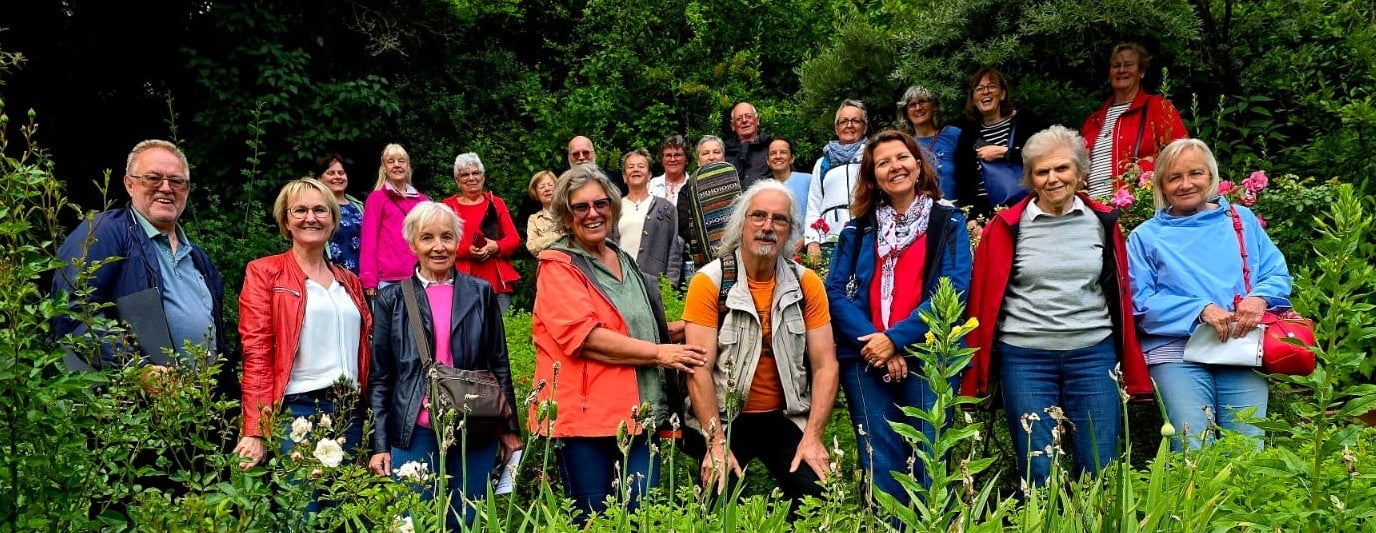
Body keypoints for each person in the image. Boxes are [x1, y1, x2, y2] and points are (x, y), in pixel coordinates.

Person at [961, 125, 1150, 486]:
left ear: (1080, 171)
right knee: (1039, 469)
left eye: (1062, 168)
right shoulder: (1006, 226)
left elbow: (1120, 293)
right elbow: (982, 301)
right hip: (1025, 357)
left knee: (1100, 466)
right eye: (1041, 171)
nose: (1052, 178)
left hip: (1093, 353)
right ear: (1029, 178)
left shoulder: (1103, 222)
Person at [529, 165, 705, 525]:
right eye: (581, 207)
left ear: (612, 206)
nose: (592, 213)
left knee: (642, 518)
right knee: (595, 522)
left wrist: (694, 326)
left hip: (638, 416)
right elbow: (586, 338)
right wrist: (661, 354)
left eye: (600, 203)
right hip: (587, 422)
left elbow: (638, 329)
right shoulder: (558, 265)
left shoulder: (620, 257)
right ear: (565, 215)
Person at [824, 129, 972, 504]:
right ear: (872, 176)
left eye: (902, 157)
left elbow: (953, 290)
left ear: (919, 165)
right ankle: (888, 526)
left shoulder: (948, 222)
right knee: (880, 456)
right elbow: (835, 292)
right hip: (865, 356)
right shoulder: (857, 228)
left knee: (930, 456)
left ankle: (931, 526)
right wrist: (878, 343)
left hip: (928, 356)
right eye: (883, 163)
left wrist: (896, 340)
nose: (895, 167)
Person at [681, 180, 839, 508]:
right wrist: (715, 443)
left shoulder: (806, 283)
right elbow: (698, 370)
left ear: (790, 231)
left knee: (818, 498)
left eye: (779, 219)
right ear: (741, 223)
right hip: (725, 419)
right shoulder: (710, 282)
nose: (767, 227)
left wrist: (813, 437)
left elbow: (826, 365)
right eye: (758, 216)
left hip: (785, 416)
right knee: (715, 502)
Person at [1127, 138, 1291, 450]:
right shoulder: (1144, 237)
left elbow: (1277, 274)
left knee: (1247, 448)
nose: (1186, 184)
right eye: (1174, 177)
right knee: (1192, 446)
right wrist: (1200, 309)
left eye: (1195, 173)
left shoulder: (1241, 220)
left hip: (1240, 345)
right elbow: (1139, 303)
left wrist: (1259, 298)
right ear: (1161, 185)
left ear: (1211, 176)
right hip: (1176, 353)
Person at [367, 202, 521, 528]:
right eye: (428, 238)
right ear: (412, 244)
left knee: (468, 520)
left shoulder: (480, 292)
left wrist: (509, 430)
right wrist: (380, 444)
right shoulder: (392, 299)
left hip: (474, 426)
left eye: (447, 237)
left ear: (457, 242)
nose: (438, 247)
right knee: (414, 521)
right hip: (415, 429)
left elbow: (499, 363)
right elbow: (381, 376)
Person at [52, 139, 233, 388]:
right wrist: (135, 369)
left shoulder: (198, 258)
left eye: (176, 181)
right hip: (126, 402)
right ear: (130, 184)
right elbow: (74, 309)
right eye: (153, 178)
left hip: (195, 404)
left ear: (187, 190)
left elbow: (218, 339)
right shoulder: (105, 232)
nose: (166, 188)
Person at [234, 179, 372, 502]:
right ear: (286, 220)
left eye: (320, 210)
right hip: (298, 411)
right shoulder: (265, 273)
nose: (311, 217)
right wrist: (255, 428)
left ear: (333, 220)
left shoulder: (350, 282)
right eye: (300, 210)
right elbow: (257, 352)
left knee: (343, 513)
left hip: (350, 413)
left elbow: (367, 353)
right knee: (301, 514)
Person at [1081, 42, 1189, 197]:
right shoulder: (1093, 120)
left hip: (1137, 203)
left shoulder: (1157, 107)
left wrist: (1145, 169)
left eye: (1128, 65)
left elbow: (1182, 152)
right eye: (1116, 66)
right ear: (1109, 73)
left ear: (1141, 72)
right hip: (1092, 206)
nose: (1121, 70)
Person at [952, 68, 1045, 219]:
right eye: (979, 89)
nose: (985, 92)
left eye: (992, 86)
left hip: (1028, 206)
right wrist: (970, 218)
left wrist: (1005, 153)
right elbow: (963, 181)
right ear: (973, 99)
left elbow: (1045, 157)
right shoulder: (968, 134)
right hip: (984, 214)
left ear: (1002, 94)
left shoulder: (1025, 121)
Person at [442, 152, 521, 315]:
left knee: (501, 328)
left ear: (483, 177)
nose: (471, 178)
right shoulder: (447, 206)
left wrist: (496, 246)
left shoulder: (496, 203)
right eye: (465, 175)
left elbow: (514, 239)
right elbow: (441, 244)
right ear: (457, 181)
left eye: (475, 173)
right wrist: (466, 250)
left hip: (497, 283)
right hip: (462, 282)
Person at [804, 100, 869, 265]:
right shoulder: (823, 163)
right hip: (829, 240)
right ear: (836, 128)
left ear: (865, 127)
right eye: (843, 121)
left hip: (867, 235)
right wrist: (812, 241)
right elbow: (814, 205)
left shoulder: (872, 157)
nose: (849, 125)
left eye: (855, 121)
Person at [361, 144, 428, 298]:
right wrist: (369, 279)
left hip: (418, 276)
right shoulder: (376, 198)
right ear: (384, 168)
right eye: (391, 161)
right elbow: (369, 240)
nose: (397, 165)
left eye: (401, 161)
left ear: (408, 166)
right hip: (387, 279)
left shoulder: (422, 200)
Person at [616, 148, 682, 286]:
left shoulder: (666, 208)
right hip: (621, 281)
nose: (636, 169)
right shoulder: (614, 209)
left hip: (654, 283)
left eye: (641, 166)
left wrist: (670, 284)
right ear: (624, 176)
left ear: (649, 174)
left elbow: (673, 250)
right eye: (630, 167)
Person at [897, 85, 966, 202]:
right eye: (912, 105)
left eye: (922, 102)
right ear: (906, 113)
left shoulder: (954, 135)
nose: (918, 108)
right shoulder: (903, 144)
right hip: (918, 209)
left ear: (933, 106)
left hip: (956, 207)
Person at [316, 154, 366, 274]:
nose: (337, 176)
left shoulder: (358, 206)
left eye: (341, 173)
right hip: (331, 274)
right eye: (331, 173)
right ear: (319, 179)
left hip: (362, 275)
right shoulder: (317, 207)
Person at [767, 136, 812, 232]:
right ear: (768, 161)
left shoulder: (807, 180)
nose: (778, 156)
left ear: (792, 159)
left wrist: (807, 236)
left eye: (783, 152)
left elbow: (818, 210)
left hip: (807, 238)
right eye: (773, 153)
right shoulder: (765, 189)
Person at [724, 102, 773, 186]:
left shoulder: (772, 148)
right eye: (739, 119)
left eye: (749, 116)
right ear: (733, 125)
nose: (744, 121)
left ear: (757, 120)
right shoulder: (725, 152)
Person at [648, 134, 690, 205]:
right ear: (662, 160)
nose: (673, 159)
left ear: (686, 159)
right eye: (668, 155)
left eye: (677, 155)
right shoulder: (651, 186)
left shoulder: (693, 186)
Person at [524, 170, 559, 255]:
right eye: (542, 187)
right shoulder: (534, 219)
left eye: (550, 185)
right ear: (536, 193)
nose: (547, 189)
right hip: (548, 261)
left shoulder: (569, 212)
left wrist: (543, 241)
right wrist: (559, 237)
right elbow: (531, 246)